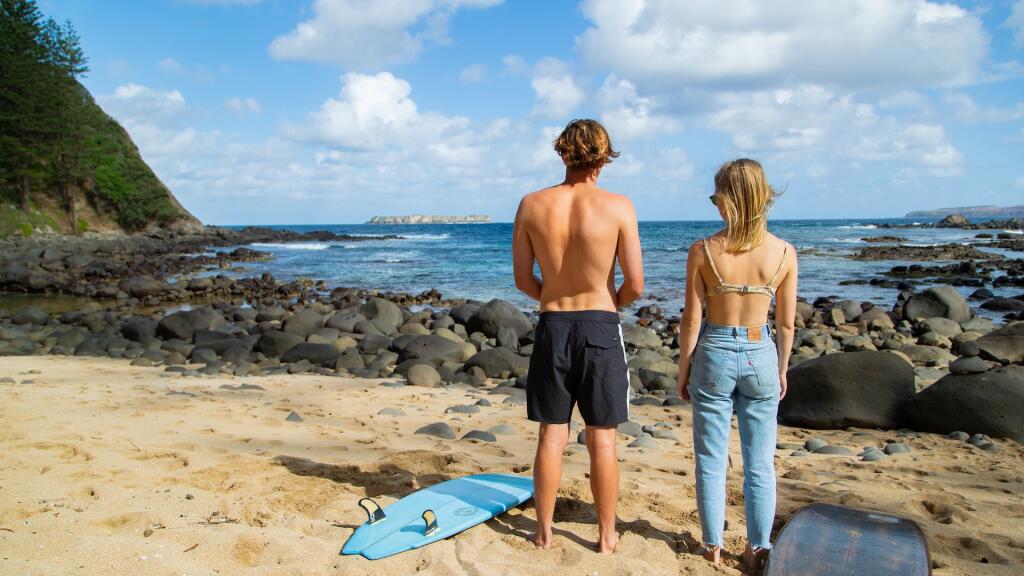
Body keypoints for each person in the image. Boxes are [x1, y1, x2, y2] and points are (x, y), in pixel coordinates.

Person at [512, 119, 644, 554]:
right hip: (600, 326)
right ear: (603, 157)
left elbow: (522, 279)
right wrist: (608, 302)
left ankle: (544, 532)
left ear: (562, 153)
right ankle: (606, 537)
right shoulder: (619, 206)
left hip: (553, 324)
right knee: (601, 436)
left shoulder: (532, 204)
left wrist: (553, 295)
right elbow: (636, 285)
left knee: (552, 434)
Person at [676, 158, 797, 569]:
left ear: (728, 200)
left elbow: (692, 319)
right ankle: (757, 547)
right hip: (761, 350)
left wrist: (684, 368)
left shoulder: (703, 250)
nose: (714, 206)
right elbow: (785, 323)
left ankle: (710, 546)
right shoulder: (784, 252)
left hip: (715, 350)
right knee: (760, 461)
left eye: (716, 198)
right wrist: (781, 368)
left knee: (711, 458)